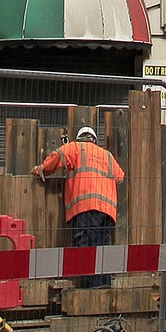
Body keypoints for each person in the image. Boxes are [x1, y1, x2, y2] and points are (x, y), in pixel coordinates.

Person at [37, 124, 124, 290]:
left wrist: (41, 169)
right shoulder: (107, 155)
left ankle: (91, 289)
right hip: (107, 210)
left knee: (86, 247)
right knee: (103, 248)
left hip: (85, 206)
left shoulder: (76, 148)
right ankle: (104, 286)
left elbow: (58, 156)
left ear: (79, 137)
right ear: (94, 140)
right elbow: (120, 177)